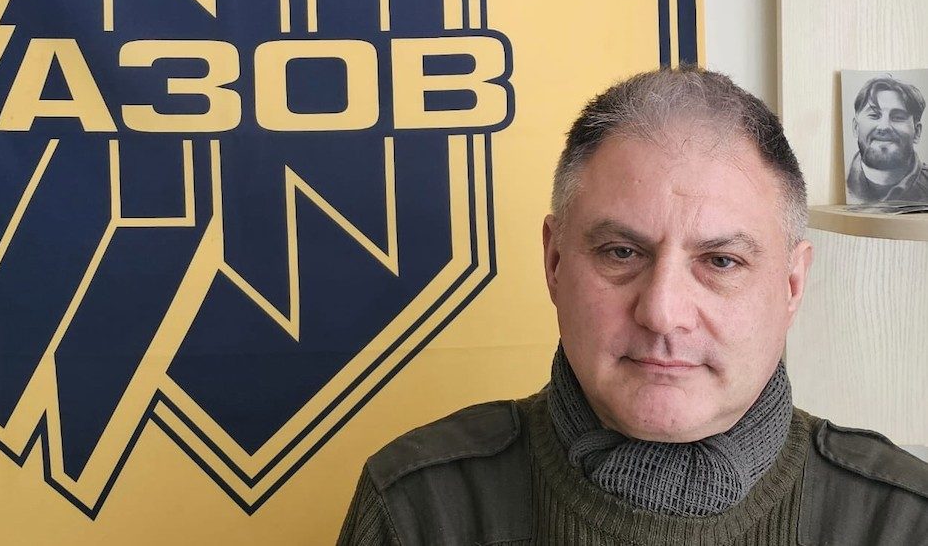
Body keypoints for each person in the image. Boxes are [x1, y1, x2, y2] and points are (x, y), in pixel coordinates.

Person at [336, 67, 928, 545]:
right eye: (621, 252)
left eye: (720, 261)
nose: (663, 313)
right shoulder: (416, 510)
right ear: (554, 261)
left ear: (792, 285)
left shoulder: (901, 523)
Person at [846, 75, 928, 203]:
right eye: (874, 115)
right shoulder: (836, 185)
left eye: (898, 117)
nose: (884, 127)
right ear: (856, 127)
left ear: (917, 132)